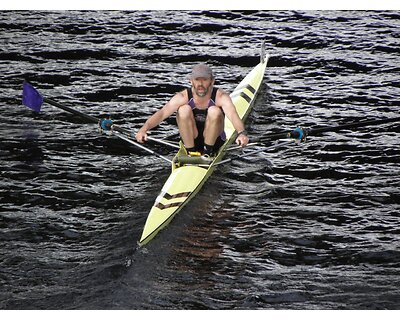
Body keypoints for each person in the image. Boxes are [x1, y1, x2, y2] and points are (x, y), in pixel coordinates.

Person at [135, 63, 249, 157]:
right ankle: (191, 152)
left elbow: (233, 115)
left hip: (214, 141)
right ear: (191, 81)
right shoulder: (182, 97)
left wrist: (241, 133)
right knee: (183, 109)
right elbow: (162, 113)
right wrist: (143, 129)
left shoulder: (221, 97)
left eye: (204, 80)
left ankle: (208, 153)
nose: (200, 84)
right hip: (191, 139)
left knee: (214, 111)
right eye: (197, 80)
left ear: (212, 81)